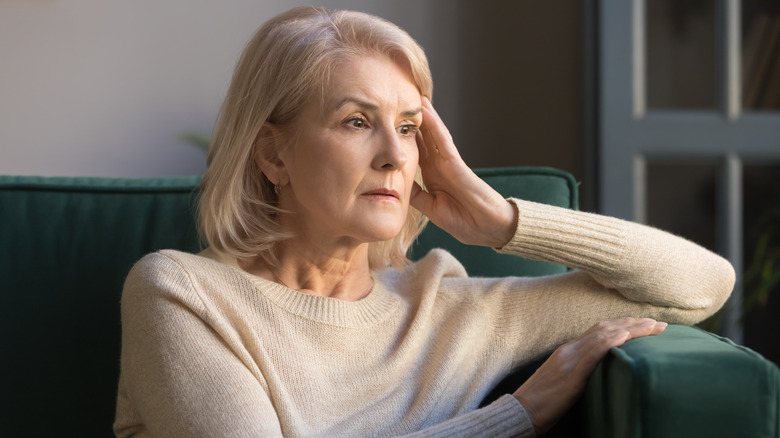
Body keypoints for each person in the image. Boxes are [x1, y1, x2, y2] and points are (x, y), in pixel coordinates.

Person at [113, 7, 735, 437]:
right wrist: (518, 416)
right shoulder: (182, 294)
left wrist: (502, 221)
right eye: (357, 121)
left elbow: (704, 284)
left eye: (408, 127)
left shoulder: (447, 307)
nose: (393, 153)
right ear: (274, 153)